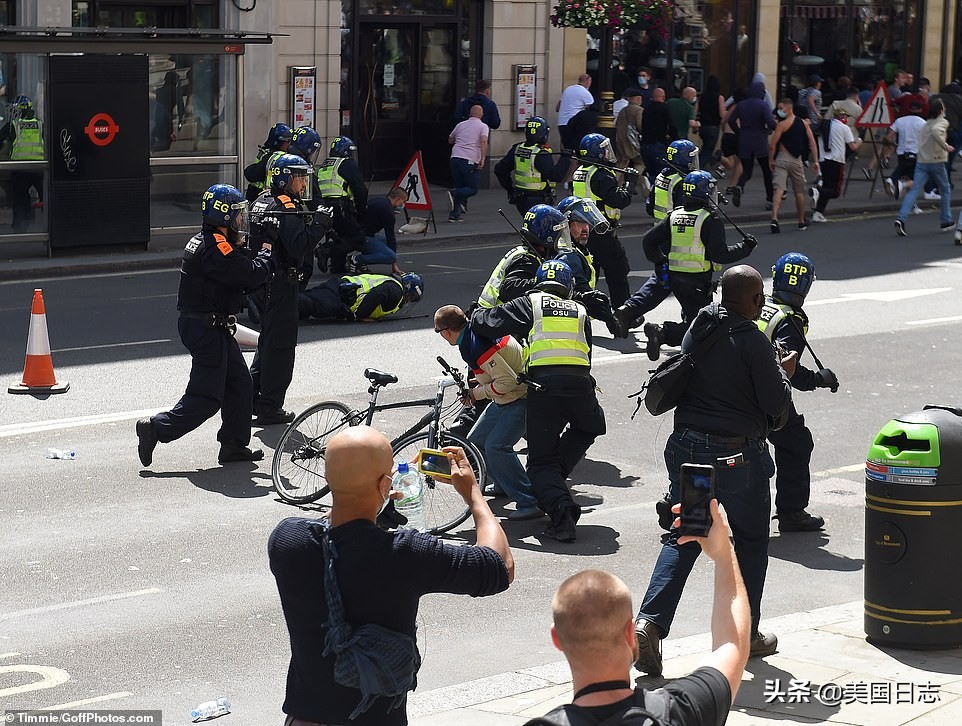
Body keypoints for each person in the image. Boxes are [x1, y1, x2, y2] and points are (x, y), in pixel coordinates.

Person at [269, 427, 513, 726]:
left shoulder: (287, 540)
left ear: (327, 478)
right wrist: (473, 493)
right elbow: (499, 566)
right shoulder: (405, 554)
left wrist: (375, 507)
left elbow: (339, 537)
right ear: (387, 484)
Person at [634, 265, 794, 678]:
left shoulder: (699, 329)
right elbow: (776, 408)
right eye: (760, 297)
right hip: (737, 460)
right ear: (754, 300)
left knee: (686, 534)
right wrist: (783, 374)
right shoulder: (755, 342)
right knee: (752, 542)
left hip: (692, 452)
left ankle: (649, 623)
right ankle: (747, 634)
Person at [525, 509, 750, 726]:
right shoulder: (680, 711)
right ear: (630, 633)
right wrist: (722, 554)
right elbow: (731, 646)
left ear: (557, 638)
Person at [136, 184, 273, 467]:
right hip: (205, 328)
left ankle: (234, 445)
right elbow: (247, 275)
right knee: (207, 397)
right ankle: (156, 428)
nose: (240, 221)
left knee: (240, 384)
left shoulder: (207, 240)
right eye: (237, 216)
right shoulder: (215, 247)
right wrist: (267, 254)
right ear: (222, 216)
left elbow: (234, 267)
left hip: (210, 325)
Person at [471, 260, 606, 543]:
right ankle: (554, 480)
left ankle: (562, 512)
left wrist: (476, 314)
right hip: (580, 384)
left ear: (539, 283)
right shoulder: (581, 310)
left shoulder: (531, 303)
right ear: (568, 287)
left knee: (541, 462)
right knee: (590, 426)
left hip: (545, 387)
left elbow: (486, 323)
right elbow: (587, 353)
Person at [434, 305, 541, 520]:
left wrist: (476, 393)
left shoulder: (475, 346)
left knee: (497, 446)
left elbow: (507, 381)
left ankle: (528, 500)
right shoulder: (477, 330)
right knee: (475, 442)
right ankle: (502, 484)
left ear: (446, 331)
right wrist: (480, 384)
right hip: (507, 397)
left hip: (520, 398)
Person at [757, 253, 837, 532]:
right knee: (796, 443)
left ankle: (681, 507)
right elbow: (785, 368)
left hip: (723, 388)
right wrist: (818, 379)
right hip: (763, 395)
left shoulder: (756, 302)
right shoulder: (791, 320)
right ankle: (791, 512)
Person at [249, 153, 331, 425]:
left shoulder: (262, 200)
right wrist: (320, 223)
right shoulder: (286, 206)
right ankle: (270, 405)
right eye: (298, 177)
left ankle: (252, 398)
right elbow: (298, 245)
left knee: (267, 342)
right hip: (282, 283)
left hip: (263, 281)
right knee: (281, 347)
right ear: (285, 178)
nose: (302, 183)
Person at [641, 171, 758, 361]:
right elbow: (719, 254)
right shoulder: (709, 220)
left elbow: (648, 241)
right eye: (711, 189)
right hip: (696, 281)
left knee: (694, 318)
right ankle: (662, 333)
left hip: (675, 279)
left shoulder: (674, 216)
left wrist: (661, 261)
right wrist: (745, 248)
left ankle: (680, 342)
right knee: (702, 324)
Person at [612, 140, 699, 336]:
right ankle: (688, 327)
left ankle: (627, 311)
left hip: (661, 235)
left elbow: (650, 206)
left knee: (662, 281)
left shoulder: (662, 175)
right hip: (678, 239)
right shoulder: (684, 181)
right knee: (684, 281)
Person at [571, 133, 632, 307]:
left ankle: (583, 307)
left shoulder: (581, 172)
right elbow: (618, 200)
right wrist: (630, 184)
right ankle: (623, 312)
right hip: (602, 230)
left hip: (584, 230)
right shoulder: (601, 174)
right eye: (605, 150)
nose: (608, 153)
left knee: (590, 272)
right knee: (618, 270)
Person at [476, 203, 570, 310]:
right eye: (559, 235)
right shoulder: (526, 260)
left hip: (492, 315)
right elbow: (509, 288)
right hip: (495, 317)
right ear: (547, 236)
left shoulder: (527, 253)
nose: (560, 240)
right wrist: (542, 281)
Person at [555, 196, 623, 337]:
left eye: (588, 223)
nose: (586, 228)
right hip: (565, 322)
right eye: (580, 223)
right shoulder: (569, 256)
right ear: (566, 225)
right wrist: (609, 318)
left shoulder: (575, 250)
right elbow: (585, 296)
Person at [894, 98, 956, 237]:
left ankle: (901, 218)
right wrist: (946, 146)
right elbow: (936, 131)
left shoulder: (926, 124)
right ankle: (946, 220)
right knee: (945, 189)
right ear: (941, 111)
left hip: (922, 161)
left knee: (914, 190)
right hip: (937, 161)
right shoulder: (942, 122)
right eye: (944, 108)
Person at [494, 115, 568, 216]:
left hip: (520, 198)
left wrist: (510, 189)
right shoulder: (540, 153)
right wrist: (565, 158)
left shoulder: (518, 149)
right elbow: (555, 176)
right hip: (538, 199)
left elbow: (500, 169)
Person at [316, 135, 369, 273]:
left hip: (325, 207)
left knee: (341, 236)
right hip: (340, 206)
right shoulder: (346, 164)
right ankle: (326, 251)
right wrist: (361, 209)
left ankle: (337, 267)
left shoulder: (325, 165)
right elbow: (360, 189)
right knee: (357, 238)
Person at [768, 98, 819, 233]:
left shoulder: (782, 124)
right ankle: (801, 221)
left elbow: (773, 145)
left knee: (778, 189)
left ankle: (774, 219)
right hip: (797, 161)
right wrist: (816, 161)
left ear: (788, 107)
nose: (780, 110)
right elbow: (812, 142)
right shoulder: (803, 123)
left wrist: (771, 160)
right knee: (799, 192)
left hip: (782, 159)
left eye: (781, 107)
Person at [727, 79, 776, 209]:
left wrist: (739, 132)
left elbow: (731, 120)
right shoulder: (763, 105)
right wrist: (775, 128)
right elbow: (770, 122)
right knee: (766, 171)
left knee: (747, 171)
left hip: (745, 140)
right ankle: (769, 200)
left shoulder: (741, 105)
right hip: (760, 141)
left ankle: (740, 186)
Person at [299, 272, 423, 322]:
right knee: (308, 303)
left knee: (308, 302)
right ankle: (282, 305)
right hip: (343, 297)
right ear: (407, 288)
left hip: (340, 287)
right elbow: (378, 293)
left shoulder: (391, 282)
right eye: (411, 296)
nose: (409, 300)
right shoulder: (396, 291)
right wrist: (361, 315)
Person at [811, 107, 861, 223]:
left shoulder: (824, 126)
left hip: (824, 160)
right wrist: (859, 141)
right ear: (842, 117)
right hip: (836, 161)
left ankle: (818, 213)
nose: (847, 120)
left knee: (827, 187)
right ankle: (817, 191)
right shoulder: (844, 128)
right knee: (835, 192)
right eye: (846, 117)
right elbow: (852, 147)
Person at [350, 187, 408, 275]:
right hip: (363, 237)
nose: (402, 205)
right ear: (397, 199)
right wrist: (394, 264)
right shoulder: (388, 212)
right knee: (391, 256)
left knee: (384, 242)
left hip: (356, 231)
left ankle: (363, 263)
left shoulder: (379, 200)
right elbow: (390, 237)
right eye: (402, 202)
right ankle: (356, 260)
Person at [447, 105, 488, 222]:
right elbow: (483, 141)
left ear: (470, 113)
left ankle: (455, 214)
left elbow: (450, 139)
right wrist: (483, 158)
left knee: (460, 185)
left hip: (455, 157)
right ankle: (454, 193)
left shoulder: (461, 125)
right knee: (472, 188)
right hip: (469, 159)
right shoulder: (483, 126)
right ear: (481, 114)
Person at [882, 99, 925, 199]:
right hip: (916, 152)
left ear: (909, 109)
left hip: (901, 152)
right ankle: (895, 182)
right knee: (918, 179)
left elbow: (888, 137)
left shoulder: (900, 120)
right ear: (920, 110)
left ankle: (905, 196)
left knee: (905, 173)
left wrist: (893, 145)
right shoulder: (922, 123)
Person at [243, 122, 292, 203]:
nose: (289, 144)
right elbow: (251, 174)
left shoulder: (270, 154)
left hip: (270, 198)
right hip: (261, 197)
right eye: (287, 141)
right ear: (278, 142)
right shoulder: (273, 157)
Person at [614, 88, 645, 193]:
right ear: (637, 99)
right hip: (632, 142)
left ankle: (617, 184)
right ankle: (631, 182)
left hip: (620, 140)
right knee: (640, 163)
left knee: (622, 163)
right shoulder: (639, 110)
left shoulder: (623, 110)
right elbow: (640, 126)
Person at [639, 87, 672, 186]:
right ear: (663, 97)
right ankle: (657, 189)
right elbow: (671, 125)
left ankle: (650, 184)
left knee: (651, 169)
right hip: (659, 143)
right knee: (661, 170)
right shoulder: (665, 108)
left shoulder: (646, 109)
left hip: (645, 143)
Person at [557, 74, 596, 152]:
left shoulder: (568, 89)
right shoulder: (584, 92)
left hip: (561, 123)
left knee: (567, 149)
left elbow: (557, 108)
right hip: (574, 124)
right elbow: (592, 108)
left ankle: (565, 163)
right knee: (577, 150)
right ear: (588, 81)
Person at [698, 75, 726, 170]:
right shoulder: (719, 97)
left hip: (703, 126)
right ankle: (699, 168)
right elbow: (722, 114)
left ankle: (701, 164)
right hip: (713, 126)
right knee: (708, 149)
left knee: (705, 147)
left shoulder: (702, 96)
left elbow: (696, 111)